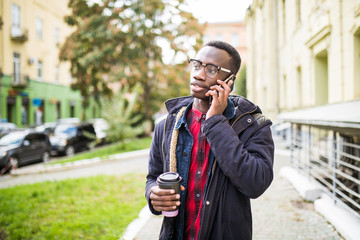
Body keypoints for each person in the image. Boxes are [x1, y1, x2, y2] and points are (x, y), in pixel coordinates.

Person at [145, 41, 274, 240]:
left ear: (229, 82)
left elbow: (255, 183)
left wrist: (215, 121)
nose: (198, 74)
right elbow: (153, 177)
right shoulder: (167, 125)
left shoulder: (252, 125)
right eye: (196, 65)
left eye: (212, 70)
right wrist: (153, 194)